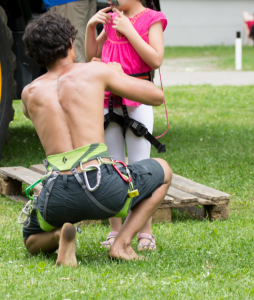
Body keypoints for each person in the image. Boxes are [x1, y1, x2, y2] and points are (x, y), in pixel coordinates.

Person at [21, 12, 172, 267]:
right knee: (164, 171)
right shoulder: (94, 72)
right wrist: (117, 74)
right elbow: (156, 96)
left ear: (33, 55)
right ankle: (122, 244)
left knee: (31, 238)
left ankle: (59, 235)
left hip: (56, 194)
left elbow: (38, 111)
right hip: (103, 189)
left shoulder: (29, 93)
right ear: (71, 43)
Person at [85, 0, 167, 250]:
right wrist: (91, 27)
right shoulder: (111, 18)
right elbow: (92, 56)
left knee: (142, 167)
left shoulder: (152, 18)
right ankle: (114, 230)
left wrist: (130, 30)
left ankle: (145, 232)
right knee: (112, 166)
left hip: (138, 97)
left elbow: (155, 59)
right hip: (109, 101)